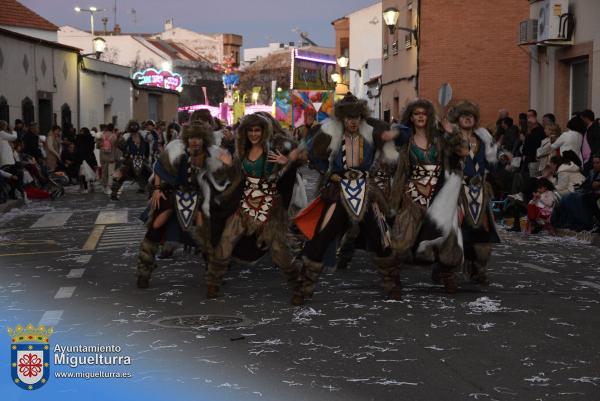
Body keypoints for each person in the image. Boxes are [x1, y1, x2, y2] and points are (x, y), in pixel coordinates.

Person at [292, 93, 401, 305]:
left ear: (362, 118)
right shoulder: (331, 134)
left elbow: (400, 136)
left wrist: (391, 136)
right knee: (321, 237)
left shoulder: (372, 133)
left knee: (380, 237)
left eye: (357, 116)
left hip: (365, 191)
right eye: (349, 117)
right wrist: (328, 172)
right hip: (338, 190)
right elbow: (313, 154)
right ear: (342, 118)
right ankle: (303, 286)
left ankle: (392, 284)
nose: (353, 121)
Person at [205, 113, 300, 299]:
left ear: (264, 132)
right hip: (245, 204)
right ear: (245, 132)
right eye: (251, 130)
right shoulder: (243, 151)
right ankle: (213, 283)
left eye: (257, 130)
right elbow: (236, 178)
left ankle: (297, 285)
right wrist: (229, 164)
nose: (254, 134)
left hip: (268, 207)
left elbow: (297, 160)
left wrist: (287, 163)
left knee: (279, 251)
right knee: (226, 241)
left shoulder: (272, 150)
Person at [136, 122, 230, 288]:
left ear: (204, 139)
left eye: (199, 138)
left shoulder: (213, 154)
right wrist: (157, 189)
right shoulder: (176, 150)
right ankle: (144, 268)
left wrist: (228, 164)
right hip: (174, 193)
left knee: (204, 231)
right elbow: (160, 167)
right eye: (192, 137)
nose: (195, 141)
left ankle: (213, 273)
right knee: (157, 224)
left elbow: (225, 176)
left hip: (201, 196)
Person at [448, 101, 500, 287]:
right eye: (464, 116)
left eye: (471, 116)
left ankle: (479, 268)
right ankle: (448, 270)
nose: (468, 118)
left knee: (481, 233)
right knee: (456, 233)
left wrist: (500, 160)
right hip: (457, 191)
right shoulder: (451, 139)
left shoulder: (483, 139)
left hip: (479, 192)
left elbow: (492, 164)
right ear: (457, 119)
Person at [110, 120, 151, 200]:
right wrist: (126, 153)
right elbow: (120, 146)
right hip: (130, 160)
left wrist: (146, 156)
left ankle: (150, 193)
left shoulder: (142, 135)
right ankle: (114, 193)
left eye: (135, 126)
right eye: (132, 126)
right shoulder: (127, 136)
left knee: (148, 175)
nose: (134, 128)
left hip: (141, 160)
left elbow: (147, 146)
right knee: (121, 176)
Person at [523, 109, 545, 177]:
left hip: (535, 158)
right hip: (527, 157)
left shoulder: (540, 130)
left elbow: (536, 144)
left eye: (530, 115)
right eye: (527, 116)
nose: (528, 117)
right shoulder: (529, 130)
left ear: (535, 116)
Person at [75, 127, 98, 193]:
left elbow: (77, 148)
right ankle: (91, 185)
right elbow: (92, 148)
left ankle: (85, 188)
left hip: (81, 158)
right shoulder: (90, 139)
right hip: (89, 157)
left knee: (83, 174)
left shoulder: (79, 138)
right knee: (90, 172)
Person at [97, 123, 117, 194]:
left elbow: (97, 146)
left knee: (104, 171)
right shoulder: (114, 136)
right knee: (110, 173)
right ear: (113, 128)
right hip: (111, 156)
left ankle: (103, 186)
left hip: (102, 155)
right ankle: (109, 188)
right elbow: (116, 147)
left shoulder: (101, 135)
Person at [580, 110, 600, 175]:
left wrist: (594, 155)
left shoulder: (595, 128)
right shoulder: (587, 129)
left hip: (591, 160)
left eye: (582, 119)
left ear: (586, 118)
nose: (581, 121)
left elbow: (597, 143)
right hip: (586, 161)